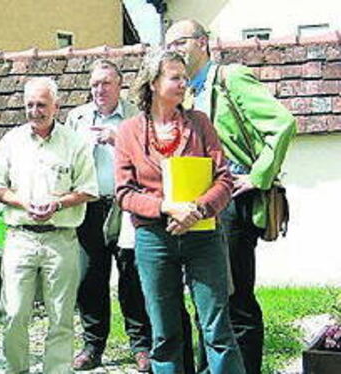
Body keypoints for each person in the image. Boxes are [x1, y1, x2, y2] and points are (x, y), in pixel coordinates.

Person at [165, 20, 297, 374]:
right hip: (198, 203)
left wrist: (257, 176)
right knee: (206, 300)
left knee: (235, 301)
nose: (174, 48)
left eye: (180, 40)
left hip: (231, 203)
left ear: (203, 43)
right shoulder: (185, 93)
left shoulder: (229, 77)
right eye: (168, 43)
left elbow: (282, 123)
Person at [114, 49, 245, 373]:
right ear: (153, 82)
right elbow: (124, 193)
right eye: (175, 77)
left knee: (217, 328)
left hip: (202, 235)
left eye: (185, 77)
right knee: (165, 333)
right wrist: (165, 207)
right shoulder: (129, 131)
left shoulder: (200, 123)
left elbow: (224, 178)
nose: (184, 83)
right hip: (154, 240)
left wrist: (197, 209)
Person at [0, 77, 98, 373]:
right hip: (20, 237)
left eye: (41, 105)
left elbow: (89, 189)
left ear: (56, 106)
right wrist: (24, 203)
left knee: (60, 316)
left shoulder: (75, 143)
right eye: (30, 105)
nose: (35, 111)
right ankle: (16, 370)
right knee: (13, 312)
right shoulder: (10, 141)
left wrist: (58, 204)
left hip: (62, 238)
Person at [65, 59, 152, 372]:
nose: (99, 90)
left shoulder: (137, 116)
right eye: (94, 84)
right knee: (89, 279)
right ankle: (92, 346)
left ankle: (142, 346)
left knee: (133, 278)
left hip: (126, 206)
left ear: (119, 85)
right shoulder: (76, 117)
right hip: (88, 207)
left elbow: (153, 160)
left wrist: (119, 140)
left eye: (106, 83)